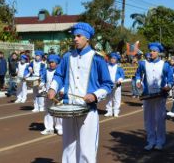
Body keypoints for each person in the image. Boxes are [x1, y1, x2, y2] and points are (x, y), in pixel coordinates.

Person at [48, 22, 113, 163]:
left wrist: (94, 95)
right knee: (68, 147)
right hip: (68, 108)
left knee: (87, 150)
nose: (75, 39)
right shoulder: (67, 57)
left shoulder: (97, 58)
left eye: (79, 36)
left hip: (88, 110)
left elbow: (107, 84)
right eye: (74, 36)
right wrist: (53, 87)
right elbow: (59, 75)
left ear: (87, 38)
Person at [135, 42, 173, 151]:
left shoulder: (164, 65)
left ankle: (160, 141)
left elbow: (170, 79)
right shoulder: (143, 63)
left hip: (160, 95)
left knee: (159, 119)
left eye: (154, 51)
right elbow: (138, 74)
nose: (152, 53)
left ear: (158, 52)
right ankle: (151, 141)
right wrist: (138, 81)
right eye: (151, 50)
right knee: (148, 119)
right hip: (147, 95)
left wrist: (168, 86)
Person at [40, 54, 63, 135]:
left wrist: (63, 89)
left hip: (59, 95)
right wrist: (41, 85)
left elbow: (63, 82)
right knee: (48, 110)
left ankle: (59, 127)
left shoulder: (60, 70)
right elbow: (43, 79)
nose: (51, 64)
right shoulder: (46, 70)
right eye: (50, 62)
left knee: (58, 111)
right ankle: (49, 128)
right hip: (48, 94)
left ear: (57, 63)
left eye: (53, 62)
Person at [104, 52, 125, 117]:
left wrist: (119, 80)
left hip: (117, 84)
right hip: (108, 84)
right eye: (111, 58)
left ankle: (116, 111)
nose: (112, 60)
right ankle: (109, 111)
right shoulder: (106, 65)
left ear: (116, 59)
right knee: (108, 98)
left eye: (114, 58)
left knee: (117, 98)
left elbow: (122, 75)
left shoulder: (119, 66)